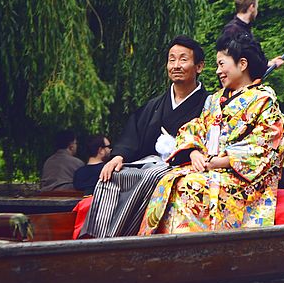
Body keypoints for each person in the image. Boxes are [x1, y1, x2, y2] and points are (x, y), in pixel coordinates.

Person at [139, 34, 284, 234]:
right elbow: (195, 128)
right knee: (168, 180)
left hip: (242, 179)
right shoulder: (215, 100)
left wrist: (224, 161)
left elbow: (268, 145)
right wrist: (194, 152)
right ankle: (160, 245)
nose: (218, 71)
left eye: (221, 64)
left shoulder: (263, 99)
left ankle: (191, 246)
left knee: (191, 186)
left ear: (242, 64)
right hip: (210, 168)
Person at [82, 36, 209, 238]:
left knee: (151, 177)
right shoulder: (155, 105)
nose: (176, 65)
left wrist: (183, 149)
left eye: (183, 59)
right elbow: (133, 136)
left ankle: (123, 236)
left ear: (199, 66)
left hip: (180, 168)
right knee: (111, 177)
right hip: (149, 164)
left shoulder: (209, 105)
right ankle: (94, 237)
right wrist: (118, 156)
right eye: (172, 59)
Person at [220, 0, 284, 71]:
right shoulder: (231, 31)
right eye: (256, 8)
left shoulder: (245, 30)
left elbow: (252, 59)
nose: (257, 11)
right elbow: (228, 63)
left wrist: (270, 63)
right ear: (252, 7)